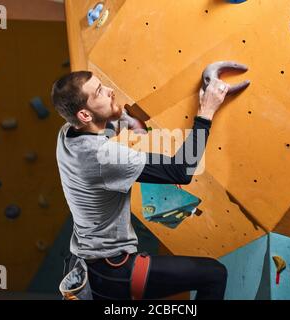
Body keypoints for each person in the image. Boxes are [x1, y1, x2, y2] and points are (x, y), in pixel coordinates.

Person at [52, 71, 229, 300]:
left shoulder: (67, 134)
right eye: (99, 92)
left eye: (103, 85)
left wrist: (127, 121)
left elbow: (99, 128)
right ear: (84, 114)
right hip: (112, 270)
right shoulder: (104, 157)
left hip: (88, 265)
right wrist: (206, 111)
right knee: (214, 274)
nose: (109, 91)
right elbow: (180, 170)